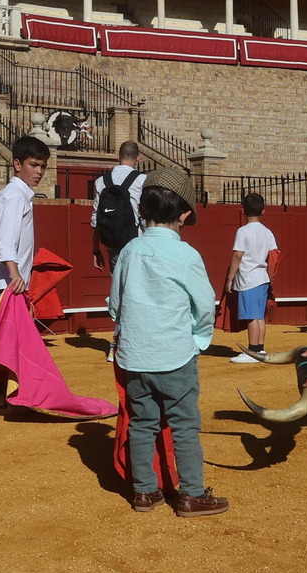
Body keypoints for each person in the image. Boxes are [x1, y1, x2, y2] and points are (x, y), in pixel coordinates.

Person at [108, 166, 228, 518]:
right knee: (184, 426)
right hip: (175, 356)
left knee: (142, 424)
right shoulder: (187, 255)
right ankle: (191, 495)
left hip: (135, 357)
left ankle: (144, 492)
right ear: (185, 215)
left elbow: (115, 305)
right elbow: (204, 307)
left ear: (141, 209)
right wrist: (198, 340)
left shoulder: (129, 251)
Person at [0, 136, 50, 409]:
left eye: (42, 166)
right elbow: (5, 238)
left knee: (2, 339)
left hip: (1, 281)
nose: (39, 171)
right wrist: (14, 272)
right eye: (33, 165)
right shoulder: (16, 196)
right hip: (8, 284)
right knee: (6, 342)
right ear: (17, 164)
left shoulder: (6, 193)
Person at [91, 141, 145, 362]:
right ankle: (130, 343)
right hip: (136, 243)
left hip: (112, 243)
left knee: (120, 291)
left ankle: (117, 344)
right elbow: (145, 216)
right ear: (138, 158)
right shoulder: (142, 180)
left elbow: (96, 219)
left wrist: (95, 249)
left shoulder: (101, 181)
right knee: (138, 292)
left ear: (117, 156)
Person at [225, 192, 280, 363]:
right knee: (259, 316)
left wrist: (230, 278)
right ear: (263, 211)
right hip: (262, 278)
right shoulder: (267, 232)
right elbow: (274, 256)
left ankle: (253, 351)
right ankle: (260, 349)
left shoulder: (243, 231)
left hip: (248, 279)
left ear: (243, 210)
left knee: (251, 316)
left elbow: (238, 255)